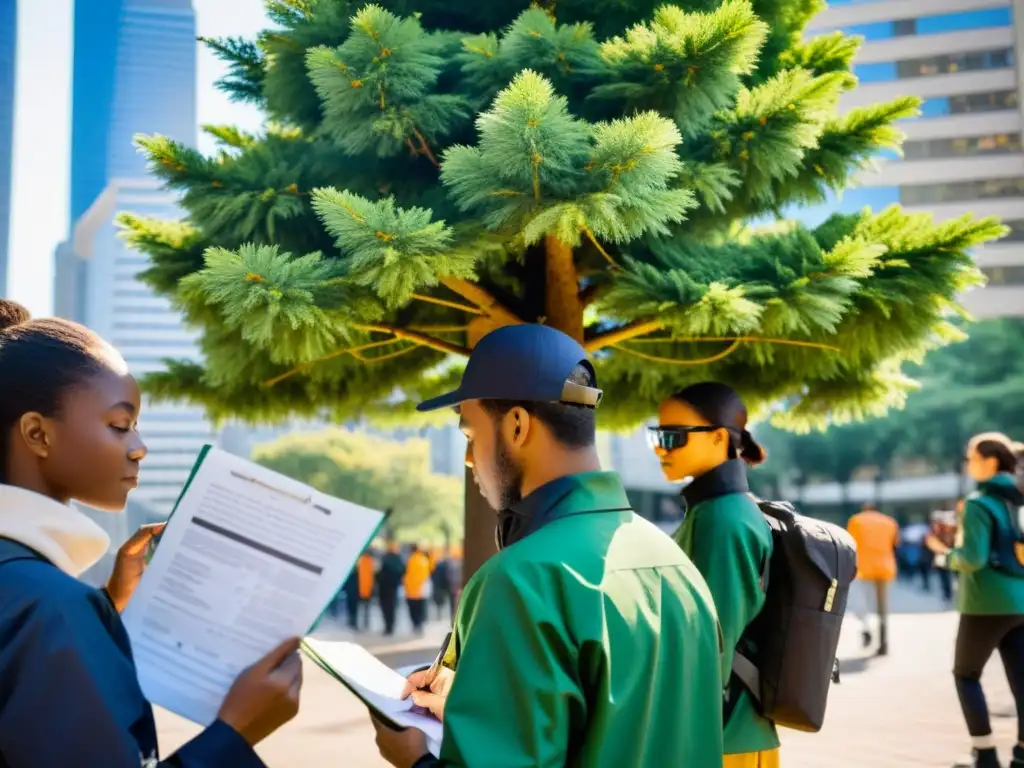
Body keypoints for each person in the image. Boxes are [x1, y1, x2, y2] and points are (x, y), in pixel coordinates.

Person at [371, 324, 724, 768]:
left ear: (516, 426)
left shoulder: (521, 579)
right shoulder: (676, 563)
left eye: (470, 436)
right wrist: (480, 703)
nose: (468, 459)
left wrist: (415, 761)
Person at [0, 301, 302, 766]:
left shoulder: (33, 594)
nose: (139, 448)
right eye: (120, 425)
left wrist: (104, 606)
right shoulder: (48, 607)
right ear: (38, 434)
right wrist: (235, 732)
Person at [652, 382, 779, 768]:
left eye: (674, 437)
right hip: (726, 732)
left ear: (719, 438)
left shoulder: (722, 521)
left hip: (720, 737)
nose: (661, 448)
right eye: (657, 436)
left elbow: (712, 646)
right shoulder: (714, 512)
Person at [927, 432, 1024, 768]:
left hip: (986, 602)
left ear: (990, 461)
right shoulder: (1018, 499)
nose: (968, 463)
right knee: (1021, 681)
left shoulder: (978, 503)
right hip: (1021, 599)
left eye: (972, 456)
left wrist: (943, 554)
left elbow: (972, 559)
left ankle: (984, 755)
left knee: (966, 675)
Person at [846, 501, 900, 655]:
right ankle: (883, 640)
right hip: (885, 567)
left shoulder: (856, 520)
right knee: (882, 607)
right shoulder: (889, 522)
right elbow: (895, 543)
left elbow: (850, 543)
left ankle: (866, 629)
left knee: (863, 604)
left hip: (863, 568)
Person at [377, 538, 404, 636]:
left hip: (383, 588)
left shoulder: (384, 559)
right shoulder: (398, 559)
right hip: (393, 588)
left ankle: (388, 627)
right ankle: (390, 626)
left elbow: (378, 574)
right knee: (392, 607)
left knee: (385, 608)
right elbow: (402, 572)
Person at [404, 543, 430, 635]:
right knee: (421, 609)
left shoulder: (410, 560)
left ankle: (415, 624)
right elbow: (427, 574)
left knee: (413, 609)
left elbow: (406, 574)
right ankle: (420, 624)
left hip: (411, 590)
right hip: (421, 590)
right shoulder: (424, 560)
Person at [429, 547, 453, 621]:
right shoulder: (447, 565)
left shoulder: (438, 565)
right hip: (445, 585)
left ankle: (441, 614)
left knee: (440, 601)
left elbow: (433, 575)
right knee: (448, 601)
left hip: (440, 585)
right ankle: (448, 615)